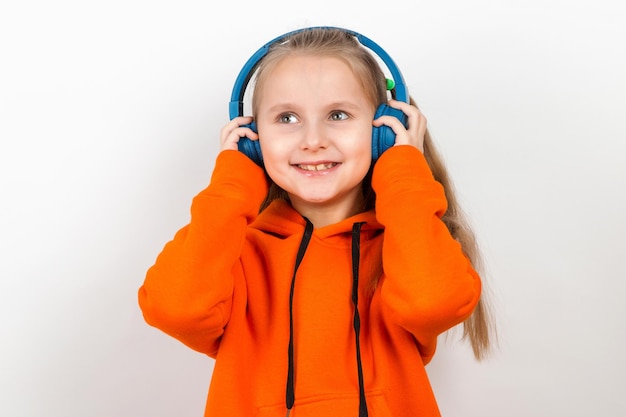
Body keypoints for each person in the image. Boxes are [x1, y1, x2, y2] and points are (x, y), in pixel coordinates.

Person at [138, 26, 494, 417]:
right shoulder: (235, 254)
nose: (312, 139)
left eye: (338, 115)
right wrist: (233, 182)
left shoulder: (407, 247)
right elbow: (176, 309)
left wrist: (404, 171)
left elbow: (433, 302)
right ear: (254, 137)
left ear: (384, 130)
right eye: (287, 117)